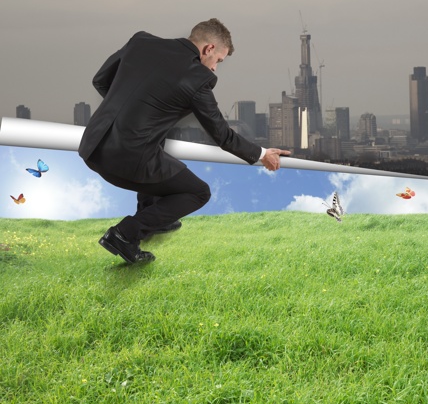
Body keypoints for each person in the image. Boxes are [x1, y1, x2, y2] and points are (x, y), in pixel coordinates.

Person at [78, 18, 290, 264]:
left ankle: (150, 216)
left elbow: (100, 80)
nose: (214, 68)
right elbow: (222, 134)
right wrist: (262, 153)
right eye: (218, 60)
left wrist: (131, 115)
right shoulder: (198, 78)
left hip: (93, 147)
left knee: (157, 141)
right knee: (198, 192)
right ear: (209, 49)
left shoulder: (141, 42)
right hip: (125, 162)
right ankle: (125, 234)